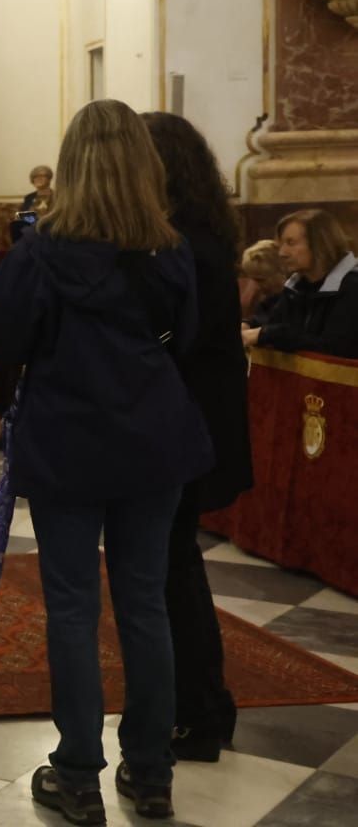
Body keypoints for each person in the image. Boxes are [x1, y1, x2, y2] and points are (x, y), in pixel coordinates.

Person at [0, 99, 213, 825]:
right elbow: (186, 339)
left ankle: (79, 772)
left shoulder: (39, 252)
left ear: (72, 166)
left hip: (69, 443)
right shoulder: (168, 249)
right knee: (145, 604)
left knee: (74, 608)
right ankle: (150, 774)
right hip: (152, 438)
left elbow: (4, 339)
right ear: (141, 167)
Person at [143, 112, 253, 764]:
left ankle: (197, 711)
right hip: (198, 414)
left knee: (171, 567)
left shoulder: (182, 239)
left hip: (187, 418)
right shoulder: (204, 229)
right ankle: (205, 704)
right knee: (175, 562)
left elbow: (177, 336)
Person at [243, 209, 358, 358]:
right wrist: (249, 324)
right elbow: (274, 320)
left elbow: (332, 347)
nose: (282, 253)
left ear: (320, 243)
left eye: (291, 243)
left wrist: (266, 334)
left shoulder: (352, 287)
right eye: (281, 244)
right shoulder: (298, 286)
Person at [238, 239, 285, 326]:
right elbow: (258, 319)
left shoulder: (292, 302)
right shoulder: (268, 300)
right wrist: (246, 324)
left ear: (280, 272)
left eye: (261, 280)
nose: (257, 286)